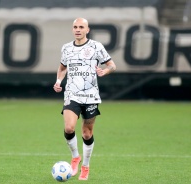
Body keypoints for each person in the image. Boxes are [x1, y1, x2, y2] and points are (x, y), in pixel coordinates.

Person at [53, 17, 116, 180]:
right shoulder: (66, 48)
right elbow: (61, 68)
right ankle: (75, 157)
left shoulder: (96, 46)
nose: (78, 29)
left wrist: (105, 71)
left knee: (87, 134)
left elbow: (112, 65)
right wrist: (58, 81)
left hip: (90, 96)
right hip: (71, 94)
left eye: (81, 27)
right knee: (69, 128)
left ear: (87, 30)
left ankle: (85, 166)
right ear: (72, 29)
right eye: (75, 27)